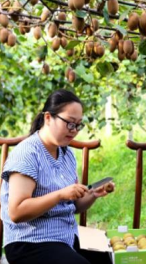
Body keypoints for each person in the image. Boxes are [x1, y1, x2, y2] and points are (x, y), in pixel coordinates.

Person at [0, 89, 114, 264]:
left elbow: (73, 206)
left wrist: (93, 194)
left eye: (78, 125)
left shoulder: (66, 154)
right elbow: (16, 212)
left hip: (65, 237)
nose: (74, 130)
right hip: (30, 241)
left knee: (109, 259)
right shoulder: (27, 153)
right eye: (69, 123)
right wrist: (60, 194)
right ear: (48, 118)